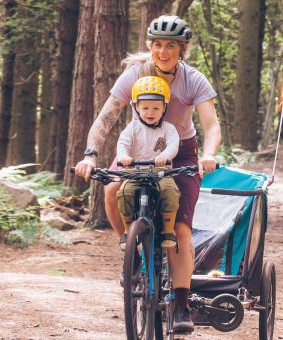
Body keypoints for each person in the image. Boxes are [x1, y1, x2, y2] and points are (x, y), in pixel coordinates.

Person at [74, 15, 221, 334]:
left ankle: (181, 305)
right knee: (112, 190)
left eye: (171, 46)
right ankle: (131, 248)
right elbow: (105, 120)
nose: (163, 52)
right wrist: (90, 155)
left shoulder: (192, 79)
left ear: (182, 50)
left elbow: (211, 125)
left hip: (179, 151)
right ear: (150, 46)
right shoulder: (134, 75)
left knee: (181, 228)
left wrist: (208, 155)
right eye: (158, 45)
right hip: (138, 152)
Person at [116, 76, 180, 250]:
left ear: (164, 108)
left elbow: (174, 144)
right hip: (134, 171)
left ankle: (168, 230)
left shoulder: (168, 128)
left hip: (160, 171)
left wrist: (165, 155)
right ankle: (128, 231)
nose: (150, 112)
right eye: (145, 108)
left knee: (170, 190)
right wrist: (123, 156)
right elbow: (123, 143)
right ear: (136, 107)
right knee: (124, 192)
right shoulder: (133, 128)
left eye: (155, 108)